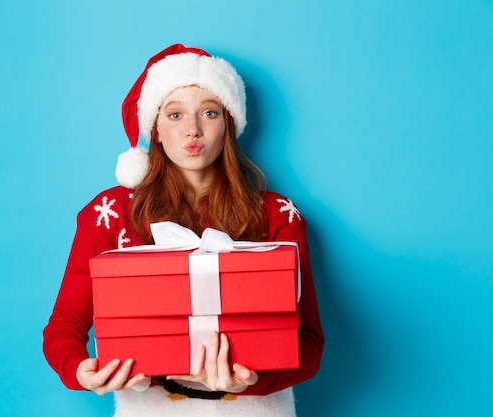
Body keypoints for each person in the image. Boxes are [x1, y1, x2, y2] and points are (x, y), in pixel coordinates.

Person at [43, 44, 324, 417]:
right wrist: (80, 371)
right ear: (156, 129)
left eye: (209, 112)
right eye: (175, 115)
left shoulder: (277, 215)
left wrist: (254, 380)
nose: (192, 129)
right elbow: (65, 322)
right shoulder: (111, 213)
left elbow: (308, 342)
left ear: (229, 124)